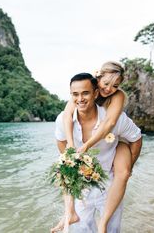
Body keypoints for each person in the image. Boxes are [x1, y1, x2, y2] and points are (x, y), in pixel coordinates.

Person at [51, 61, 138, 233]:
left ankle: (103, 224)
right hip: (86, 179)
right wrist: (71, 149)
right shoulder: (78, 95)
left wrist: (129, 165)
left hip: (115, 150)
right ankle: (69, 213)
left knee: (123, 173)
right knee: (66, 167)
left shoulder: (117, 99)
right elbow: (67, 117)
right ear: (98, 79)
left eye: (115, 85)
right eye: (106, 83)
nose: (109, 89)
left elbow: (111, 123)